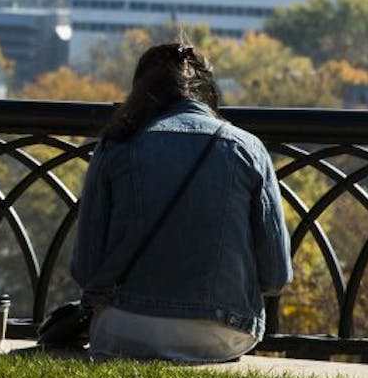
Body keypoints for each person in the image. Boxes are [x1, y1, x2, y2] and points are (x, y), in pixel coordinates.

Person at [70, 42, 293, 361]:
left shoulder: (116, 146)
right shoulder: (248, 149)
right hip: (223, 331)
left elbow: (86, 267)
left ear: (140, 91)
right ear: (208, 91)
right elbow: (276, 276)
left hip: (125, 327)